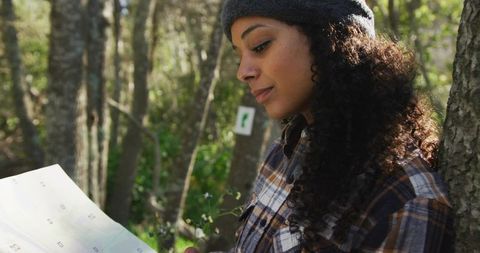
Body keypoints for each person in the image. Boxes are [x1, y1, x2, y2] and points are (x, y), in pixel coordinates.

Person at [189, 0, 454, 252]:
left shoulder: (404, 201)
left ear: (330, 36)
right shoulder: (287, 149)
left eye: (260, 46)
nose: (242, 72)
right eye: (239, 56)